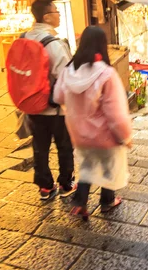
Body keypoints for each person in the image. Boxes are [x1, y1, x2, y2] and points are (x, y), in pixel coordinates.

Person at [53, 26, 132, 219]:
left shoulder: (69, 70)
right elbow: (115, 113)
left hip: (79, 134)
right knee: (108, 167)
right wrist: (125, 136)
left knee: (87, 166)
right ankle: (107, 201)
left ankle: (80, 203)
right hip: (103, 135)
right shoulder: (106, 74)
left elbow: (58, 96)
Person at [25, 0, 75, 200]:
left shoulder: (23, 37)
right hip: (54, 107)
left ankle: (45, 187)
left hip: (31, 104)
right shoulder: (53, 44)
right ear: (47, 16)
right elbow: (66, 76)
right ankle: (65, 184)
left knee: (40, 146)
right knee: (64, 145)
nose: (59, 14)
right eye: (56, 11)